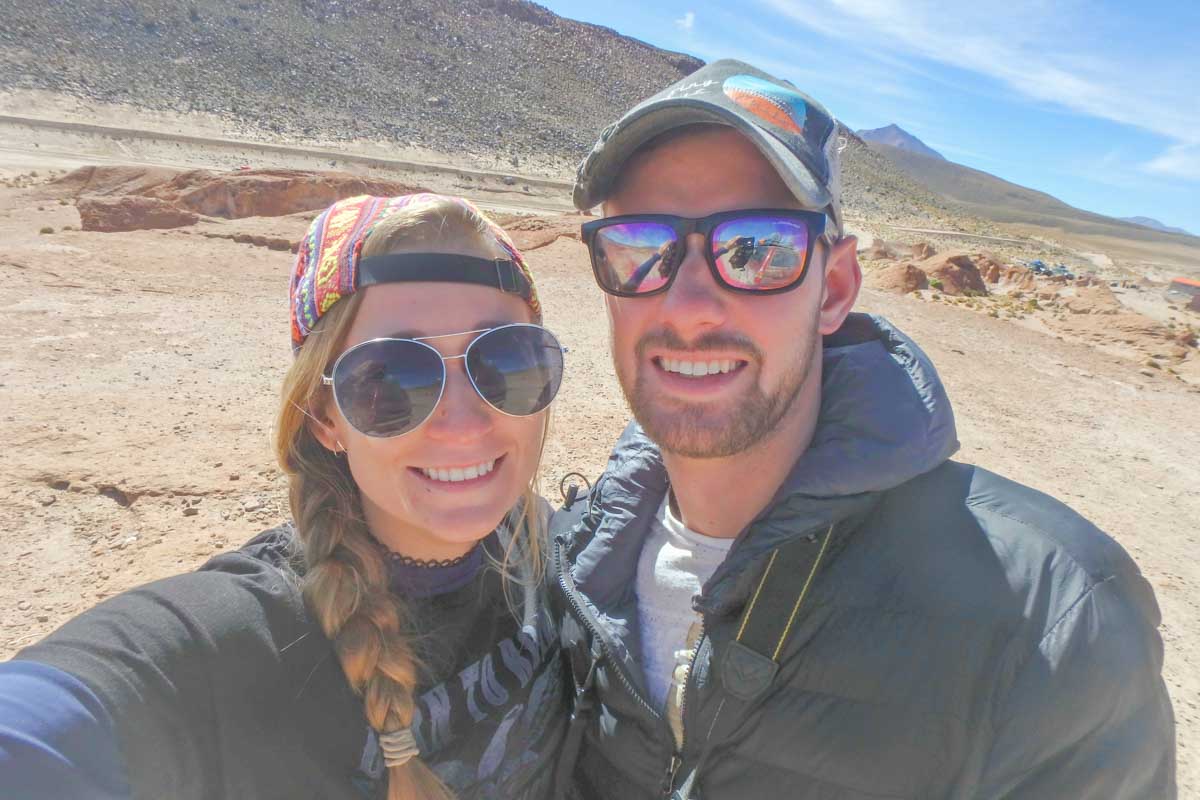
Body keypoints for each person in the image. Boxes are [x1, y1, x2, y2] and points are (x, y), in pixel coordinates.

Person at [552, 60, 1176, 799]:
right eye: (641, 247)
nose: (688, 308)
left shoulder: (1049, 619)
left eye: (758, 249)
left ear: (836, 288)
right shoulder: (573, 560)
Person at [0, 194, 569, 799]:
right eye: (391, 379)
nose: (464, 424)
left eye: (507, 360)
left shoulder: (554, 554)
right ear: (324, 417)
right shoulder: (236, 638)